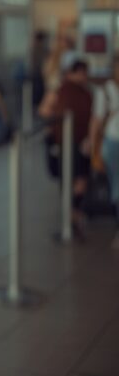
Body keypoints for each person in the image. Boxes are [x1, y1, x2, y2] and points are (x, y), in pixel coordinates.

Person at [39, 60, 93, 238]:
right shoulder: (70, 91)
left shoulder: (76, 91)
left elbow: (44, 111)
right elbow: (44, 110)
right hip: (70, 141)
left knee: (76, 179)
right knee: (74, 178)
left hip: (75, 142)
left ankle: (72, 214)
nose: (84, 77)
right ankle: (72, 215)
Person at [89, 59, 119, 247]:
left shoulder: (104, 91)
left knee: (117, 185)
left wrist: (93, 146)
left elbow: (97, 121)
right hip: (112, 142)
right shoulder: (105, 91)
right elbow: (97, 121)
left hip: (111, 142)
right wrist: (93, 147)